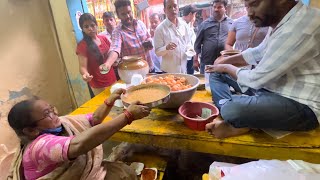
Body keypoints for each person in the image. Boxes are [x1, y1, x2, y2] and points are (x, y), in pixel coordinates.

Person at [205, 0, 320, 139]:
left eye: (255, 4)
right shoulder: (282, 21)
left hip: (299, 104)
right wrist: (224, 62)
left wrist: (225, 66)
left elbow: (256, 79)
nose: (249, 13)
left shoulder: (303, 26)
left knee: (233, 109)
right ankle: (238, 116)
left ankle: (237, 117)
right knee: (216, 73)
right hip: (268, 89)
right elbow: (259, 52)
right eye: (247, 6)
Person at [7, 89, 151, 179]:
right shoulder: (38, 147)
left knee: (124, 172)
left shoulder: (63, 123)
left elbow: (93, 120)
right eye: (47, 113)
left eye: (52, 108)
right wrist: (127, 116)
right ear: (31, 130)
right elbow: (78, 145)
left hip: (83, 173)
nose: (55, 113)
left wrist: (109, 101)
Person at [100, 0, 154, 73]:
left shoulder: (140, 24)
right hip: (133, 73)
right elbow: (115, 48)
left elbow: (148, 37)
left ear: (131, 11)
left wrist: (149, 42)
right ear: (118, 16)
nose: (128, 16)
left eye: (129, 12)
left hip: (149, 67)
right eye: (123, 14)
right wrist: (108, 63)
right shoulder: (117, 32)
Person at [76, 13, 117, 96]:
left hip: (112, 78)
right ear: (82, 29)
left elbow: (111, 54)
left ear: (96, 25)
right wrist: (85, 74)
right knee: (105, 105)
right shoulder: (82, 46)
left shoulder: (103, 38)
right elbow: (82, 67)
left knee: (117, 102)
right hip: (98, 84)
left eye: (92, 25)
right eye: (86, 26)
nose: (90, 28)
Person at [154, 0, 194, 73]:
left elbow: (188, 43)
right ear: (164, 10)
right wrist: (166, 48)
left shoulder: (184, 25)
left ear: (178, 8)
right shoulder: (160, 29)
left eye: (175, 6)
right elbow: (157, 52)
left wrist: (190, 50)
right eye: (169, 7)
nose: (173, 9)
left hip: (183, 71)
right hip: (168, 73)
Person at [194, 0, 233, 74]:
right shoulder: (204, 24)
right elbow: (197, 45)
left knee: (223, 84)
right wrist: (197, 59)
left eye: (219, 7)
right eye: (214, 7)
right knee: (206, 84)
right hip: (207, 63)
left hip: (225, 64)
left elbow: (233, 42)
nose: (216, 9)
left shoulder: (231, 24)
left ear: (225, 8)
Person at [182, 4, 198, 75]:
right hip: (184, 57)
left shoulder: (189, 25)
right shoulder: (180, 24)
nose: (195, 18)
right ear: (190, 14)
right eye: (194, 15)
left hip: (190, 56)